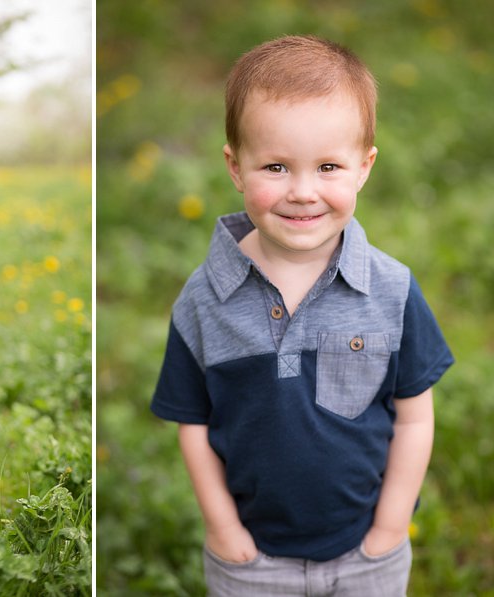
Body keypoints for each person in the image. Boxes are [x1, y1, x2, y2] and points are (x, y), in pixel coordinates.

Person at [150, 36, 453, 595]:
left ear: (364, 168)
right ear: (235, 167)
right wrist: (223, 529)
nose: (303, 191)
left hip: (367, 555)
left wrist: (389, 528)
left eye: (328, 166)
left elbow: (414, 417)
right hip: (251, 560)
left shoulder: (390, 289)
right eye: (276, 166)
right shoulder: (202, 300)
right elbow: (193, 424)